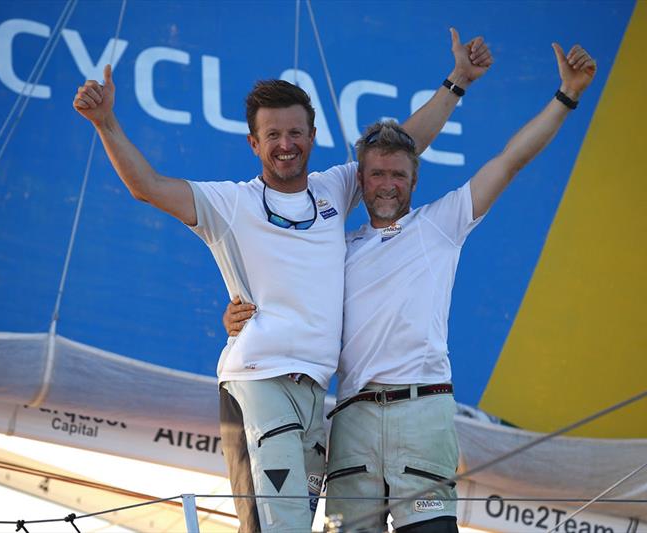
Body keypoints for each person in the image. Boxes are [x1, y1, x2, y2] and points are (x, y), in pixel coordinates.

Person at [73, 28, 491, 532]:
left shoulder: (336, 187)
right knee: (281, 526)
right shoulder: (230, 204)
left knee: (299, 521)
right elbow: (149, 187)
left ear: (312, 138)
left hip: (314, 393)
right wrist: (106, 123)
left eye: (296, 133)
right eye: (273, 135)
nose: (286, 145)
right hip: (258, 379)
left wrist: (458, 80)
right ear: (254, 143)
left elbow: (406, 143)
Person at [224, 42, 596, 532]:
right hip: (353, 422)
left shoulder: (441, 225)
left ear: (414, 180)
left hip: (422, 414)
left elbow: (509, 161)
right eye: (376, 174)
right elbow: (285, 295)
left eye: (398, 174)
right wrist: (237, 317)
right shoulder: (336, 248)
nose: (386, 184)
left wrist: (565, 96)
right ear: (361, 180)